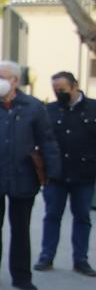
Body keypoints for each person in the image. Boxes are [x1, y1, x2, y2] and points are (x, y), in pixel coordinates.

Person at [0, 61, 61, 290]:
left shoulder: (34, 107)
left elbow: (47, 141)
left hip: (23, 176)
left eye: (2, 76)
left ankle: (22, 276)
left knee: (21, 228)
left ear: (15, 80)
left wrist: (53, 173)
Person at [34, 71, 96, 277]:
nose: (58, 93)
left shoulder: (93, 109)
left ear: (74, 86)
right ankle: (47, 257)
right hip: (56, 175)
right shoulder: (49, 110)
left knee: (82, 217)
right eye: (55, 90)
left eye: (62, 90)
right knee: (52, 216)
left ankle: (81, 260)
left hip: (84, 174)